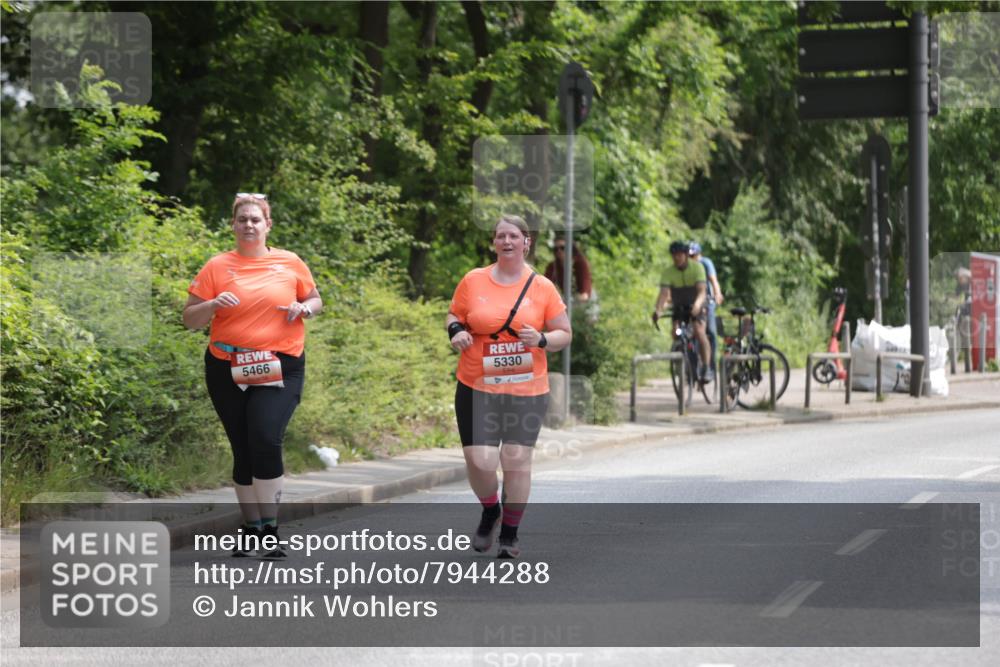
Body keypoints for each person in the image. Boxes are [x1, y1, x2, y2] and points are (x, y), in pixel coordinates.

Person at [183, 193, 322, 559]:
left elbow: (316, 299)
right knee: (242, 446)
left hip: (280, 365)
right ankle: (251, 527)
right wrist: (212, 305)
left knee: (264, 435)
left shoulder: (289, 262)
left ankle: (271, 528)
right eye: (242, 219)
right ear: (233, 225)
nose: (249, 225)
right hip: (226, 366)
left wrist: (303, 308)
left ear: (267, 225)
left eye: (255, 220)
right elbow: (189, 318)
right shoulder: (217, 266)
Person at [446, 215, 572, 558]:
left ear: (526, 242)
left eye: (513, 236)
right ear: (493, 242)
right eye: (500, 236)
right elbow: (454, 314)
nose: (506, 241)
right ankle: (491, 510)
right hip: (476, 382)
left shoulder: (542, 287)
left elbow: (565, 332)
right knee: (480, 460)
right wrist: (456, 331)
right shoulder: (473, 280)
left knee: (515, 459)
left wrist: (543, 338)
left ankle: (510, 536)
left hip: (526, 387)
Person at [652, 240, 713, 382]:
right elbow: (664, 294)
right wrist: (658, 310)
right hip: (679, 306)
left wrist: (697, 305)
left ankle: (706, 367)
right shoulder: (668, 272)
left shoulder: (697, 267)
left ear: (685, 255)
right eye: (674, 256)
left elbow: (702, 291)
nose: (676, 258)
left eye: (679, 255)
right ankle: (682, 360)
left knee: (699, 331)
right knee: (675, 332)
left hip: (696, 304)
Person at [688, 242, 724, 367]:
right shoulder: (685, 267)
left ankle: (710, 365)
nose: (691, 259)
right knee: (686, 332)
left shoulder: (705, 263)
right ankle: (689, 365)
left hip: (707, 301)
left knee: (711, 331)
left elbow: (713, 280)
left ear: (699, 254)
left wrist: (717, 293)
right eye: (689, 256)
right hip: (691, 301)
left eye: (694, 256)